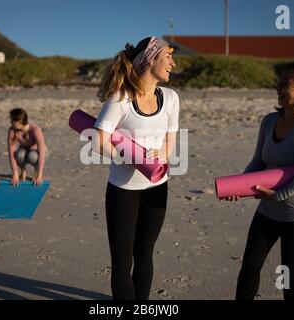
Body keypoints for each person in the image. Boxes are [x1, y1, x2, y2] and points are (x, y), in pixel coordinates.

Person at [223, 62, 294, 300]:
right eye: (278, 83)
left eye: (285, 85)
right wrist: (238, 187)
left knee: (289, 271)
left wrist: (279, 194)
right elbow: (258, 163)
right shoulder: (270, 121)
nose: (278, 88)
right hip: (268, 207)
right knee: (250, 265)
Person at [93, 36, 179, 300]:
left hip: (156, 189)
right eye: (167, 57)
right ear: (150, 59)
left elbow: (170, 143)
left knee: (144, 255)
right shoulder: (121, 98)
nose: (172, 64)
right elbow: (98, 141)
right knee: (122, 263)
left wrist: (159, 156)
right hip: (123, 192)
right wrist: (128, 157)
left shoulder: (172, 98)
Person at [7, 108, 47, 186]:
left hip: (38, 153)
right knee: (19, 154)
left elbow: (42, 152)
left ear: (20, 121)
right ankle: (23, 170)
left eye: (12, 121)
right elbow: (11, 153)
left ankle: (36, 171)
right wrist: (15, 173)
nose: (10, 122)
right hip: (25, 151)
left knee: (32, 155)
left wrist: (39, 174)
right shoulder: (12, 130)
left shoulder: (35, 130)